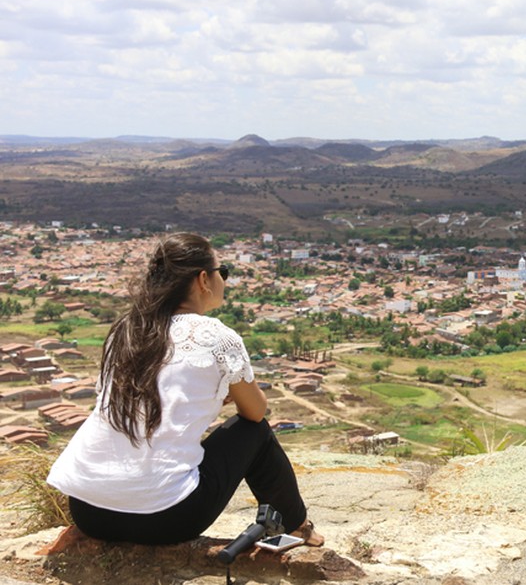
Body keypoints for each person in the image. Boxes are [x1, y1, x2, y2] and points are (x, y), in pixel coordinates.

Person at [47, 232, 324, 548]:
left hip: (89, 511)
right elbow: (256, 412)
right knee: (253, 431)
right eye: (224, 272)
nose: (224, 280)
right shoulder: (215, 336)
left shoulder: (125, 329)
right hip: (165, 519)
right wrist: (225, 394)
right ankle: (298, 527)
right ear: (203, 279)